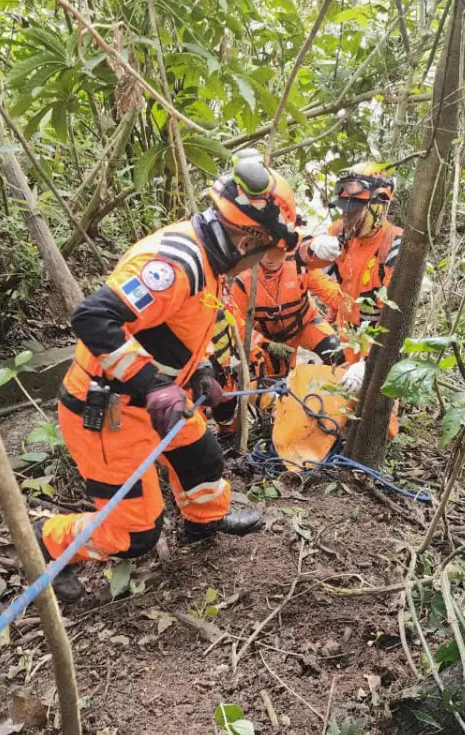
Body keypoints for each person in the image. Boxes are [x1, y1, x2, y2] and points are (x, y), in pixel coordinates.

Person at [36, 153, 302, 602]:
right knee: (135, 534)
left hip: (158, 399)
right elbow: (93, 318)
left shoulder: (212, 259)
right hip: (109, 411)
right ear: (247, 240)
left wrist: (201, 372)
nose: (259, 265)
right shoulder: (175, 263)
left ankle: (204, 522)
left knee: (202, 457)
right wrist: (153, 385)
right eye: (264, 254)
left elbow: (181, 326)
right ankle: (50, 542)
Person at [311, 162, 404, 392]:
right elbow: (304, 266)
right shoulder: (341, 231)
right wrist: (311, 247)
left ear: (378, 207)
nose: (346, 218)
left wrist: (368, 361)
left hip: (377, 340)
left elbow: (393, 320)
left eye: (353, 212)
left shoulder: (394, 247)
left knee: (377, 400)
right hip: (347, 336)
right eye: (343, 211)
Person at [229, 235, 350, 383]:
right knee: (272, 383)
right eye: (265, 252)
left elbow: (332, 293)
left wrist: (352, 312)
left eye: (276, 252)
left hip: (305, 325)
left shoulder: (299, 266)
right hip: (269, 340)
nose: (270, 259)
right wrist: (265, 344)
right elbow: (236, 325)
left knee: (339, 354)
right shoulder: (243, 280)